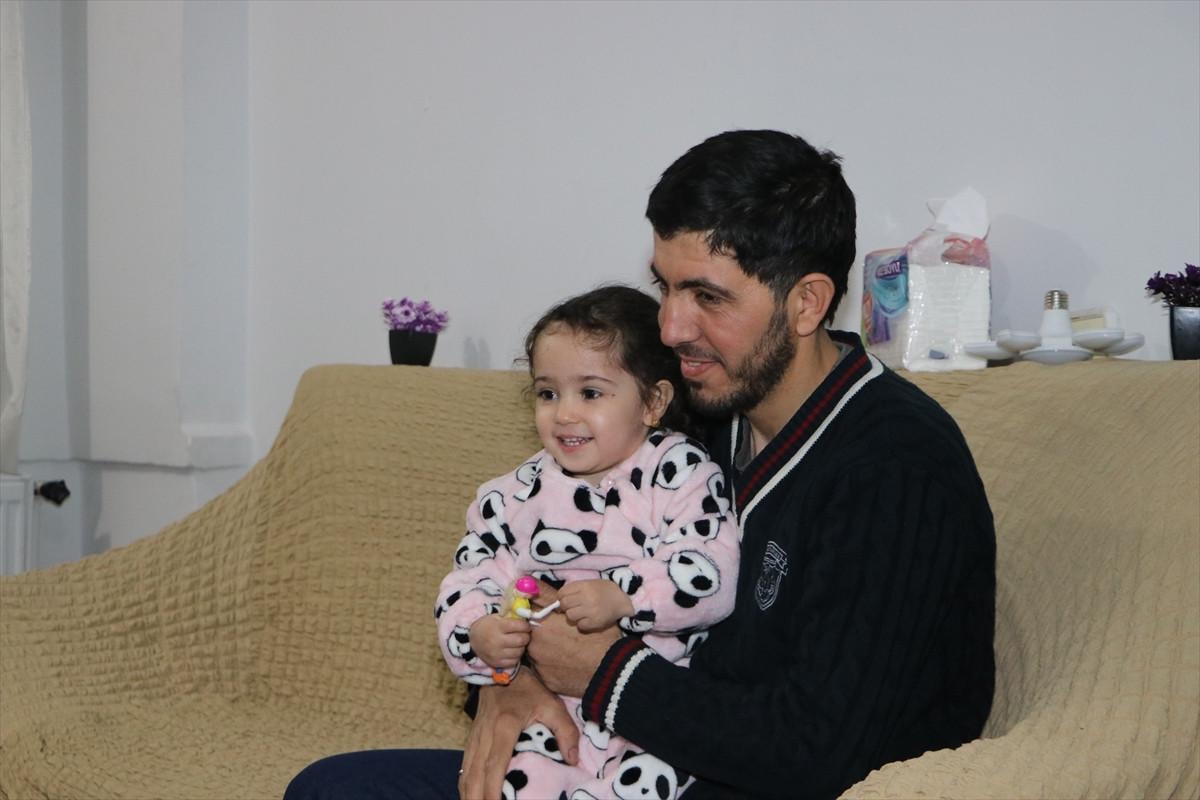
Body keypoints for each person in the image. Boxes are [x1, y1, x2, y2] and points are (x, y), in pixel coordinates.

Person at [286, 129, 995, 800]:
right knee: (329, 789)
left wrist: (603, 675)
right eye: (665, 288)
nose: (670, 328)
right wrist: (511, 680)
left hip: (735, 784)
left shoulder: (896, 468)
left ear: (806, 302)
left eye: (707, 296)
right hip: (598, 761)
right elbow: (543, 560)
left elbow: (819, 750)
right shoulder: (693, 411)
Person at [435, 285, 739, 798]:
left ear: (653, 402)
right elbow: (471, 576)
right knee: (516, 784)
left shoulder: (681, 473)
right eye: (547, 393)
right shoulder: (511, 496)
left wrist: (625, 596)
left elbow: (712, 569)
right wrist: (479, 633)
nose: (564, 414)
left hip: (651, 706)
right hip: (550, 711)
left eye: (591, 393)